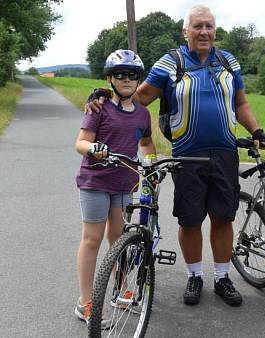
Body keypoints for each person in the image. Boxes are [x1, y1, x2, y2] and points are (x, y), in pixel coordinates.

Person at [86, 5, 265, 307]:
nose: (204, 32)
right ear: (185, 31)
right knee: (190, 219)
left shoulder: (228, 61)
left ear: (215, 30)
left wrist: (257, 129)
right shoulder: (170, 63)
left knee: (223, 217)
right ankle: (194, 275)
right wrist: (108, 95)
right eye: (197, 26)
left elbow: (241, 103)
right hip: (186, 155)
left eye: (209, 26)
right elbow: (140, 97)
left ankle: (222, 277)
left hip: (224, 153)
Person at [74, 49, 156, 328]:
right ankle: (85, 303)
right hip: (95, 182)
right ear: (109, 79)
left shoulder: (143, 115)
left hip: (124, 184)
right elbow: (81, 143)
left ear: (138, 79)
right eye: (120, 74)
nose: (126, 79)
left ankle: (121, 291)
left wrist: (152, 165)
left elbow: (145, 145)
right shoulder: (99, 108)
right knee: (92, 239)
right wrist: (94, 149)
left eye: (132, 75)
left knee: (119, 239)